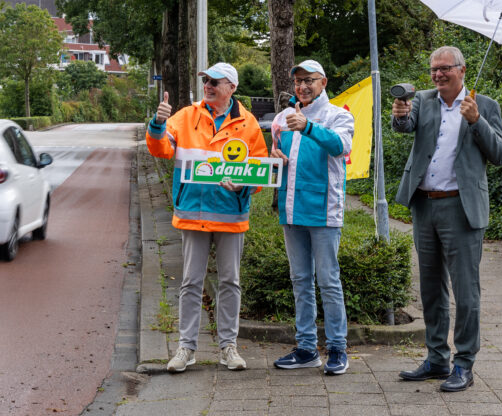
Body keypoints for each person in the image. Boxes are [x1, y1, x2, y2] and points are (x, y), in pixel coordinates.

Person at [392, 46, 502, 392]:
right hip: (425, 205)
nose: (438, 75)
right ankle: (437, 359)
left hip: (462, 208)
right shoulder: (424, 99)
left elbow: (500, 154)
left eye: (444, 69)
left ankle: (464, 364)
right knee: (430, 287)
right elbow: (405, 126)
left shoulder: (483, 105)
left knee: (466, 291)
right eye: (433, 70)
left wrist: (476, 121)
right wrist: (399, 114)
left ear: (462, 69)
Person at [146, 62, 268, 373]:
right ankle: (186, 348)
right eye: (206, 81)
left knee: (230, 281)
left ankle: (229, 347)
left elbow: (260, 169)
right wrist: (158, 125)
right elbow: (162, 150)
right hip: (194, 213)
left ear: (232, 88)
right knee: (190, 282)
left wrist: (246, 183)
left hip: (230, 214)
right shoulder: (186, 116)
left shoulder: (248, 124)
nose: (208, 85)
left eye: (215, 81)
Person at [269, 59, 355, 375]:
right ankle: (306, 348)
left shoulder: (338, 116)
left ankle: (337, 349)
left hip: (323, 211)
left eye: (309, 80)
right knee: (300, 280)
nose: (302, 87)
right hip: (292, 210)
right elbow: (276, 154)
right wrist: (274, 156)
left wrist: (308, 127)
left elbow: (340, 146)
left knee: (329, 281)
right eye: (298, 82)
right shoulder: (282, 118)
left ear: (324, 82)